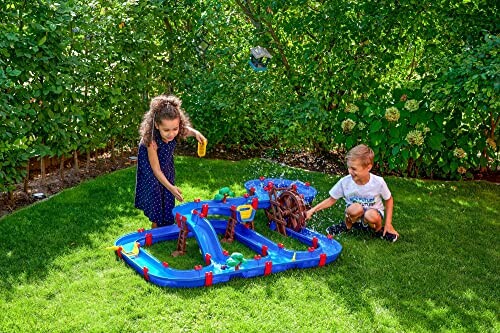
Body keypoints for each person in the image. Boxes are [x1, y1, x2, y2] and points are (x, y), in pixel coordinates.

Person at [135, 94, 206, 228]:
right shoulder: (151, 141)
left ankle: (167, 222)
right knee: (156, 190)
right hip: (151, 169)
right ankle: (155, 225)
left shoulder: (176, 130)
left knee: (167, 190)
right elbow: (155, 169)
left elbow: (186, 130)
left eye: (175, 128)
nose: (171, 133)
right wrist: (172, 188)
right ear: (156, 125)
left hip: (165, 165)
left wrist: (196, 133)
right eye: (166, 130)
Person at [305, 144, 399, 242]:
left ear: (368, 167)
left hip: (373, 213)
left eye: (354, 169)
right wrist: (312, 210)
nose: (350, 171)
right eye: (349, 167)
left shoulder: (378, 182)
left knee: (370, 215)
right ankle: (347, 226)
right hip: (355, 213)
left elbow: (389, 199)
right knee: (355, 208)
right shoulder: (345, 182)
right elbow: (331, 200)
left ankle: (379, 230)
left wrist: (388, 223)